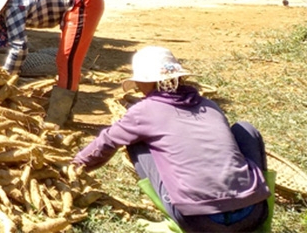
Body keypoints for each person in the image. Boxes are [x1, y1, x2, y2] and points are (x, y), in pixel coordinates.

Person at [74, 46, 270, 232]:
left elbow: (106, 142)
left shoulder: (143, 111)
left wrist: (75, 166)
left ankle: (171, 221)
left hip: (198, 223)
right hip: (253, 216)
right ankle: (260, 209)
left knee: (137, 142)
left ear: (147, 82)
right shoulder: (210, 105)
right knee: (246, 129)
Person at [0, 0, 104, 125]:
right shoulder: (1, 12)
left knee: (67, 61)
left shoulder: (14, 6)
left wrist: (7, 81)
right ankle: (64, 115)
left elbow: (19, 48)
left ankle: (57, 119)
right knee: (65, 61)